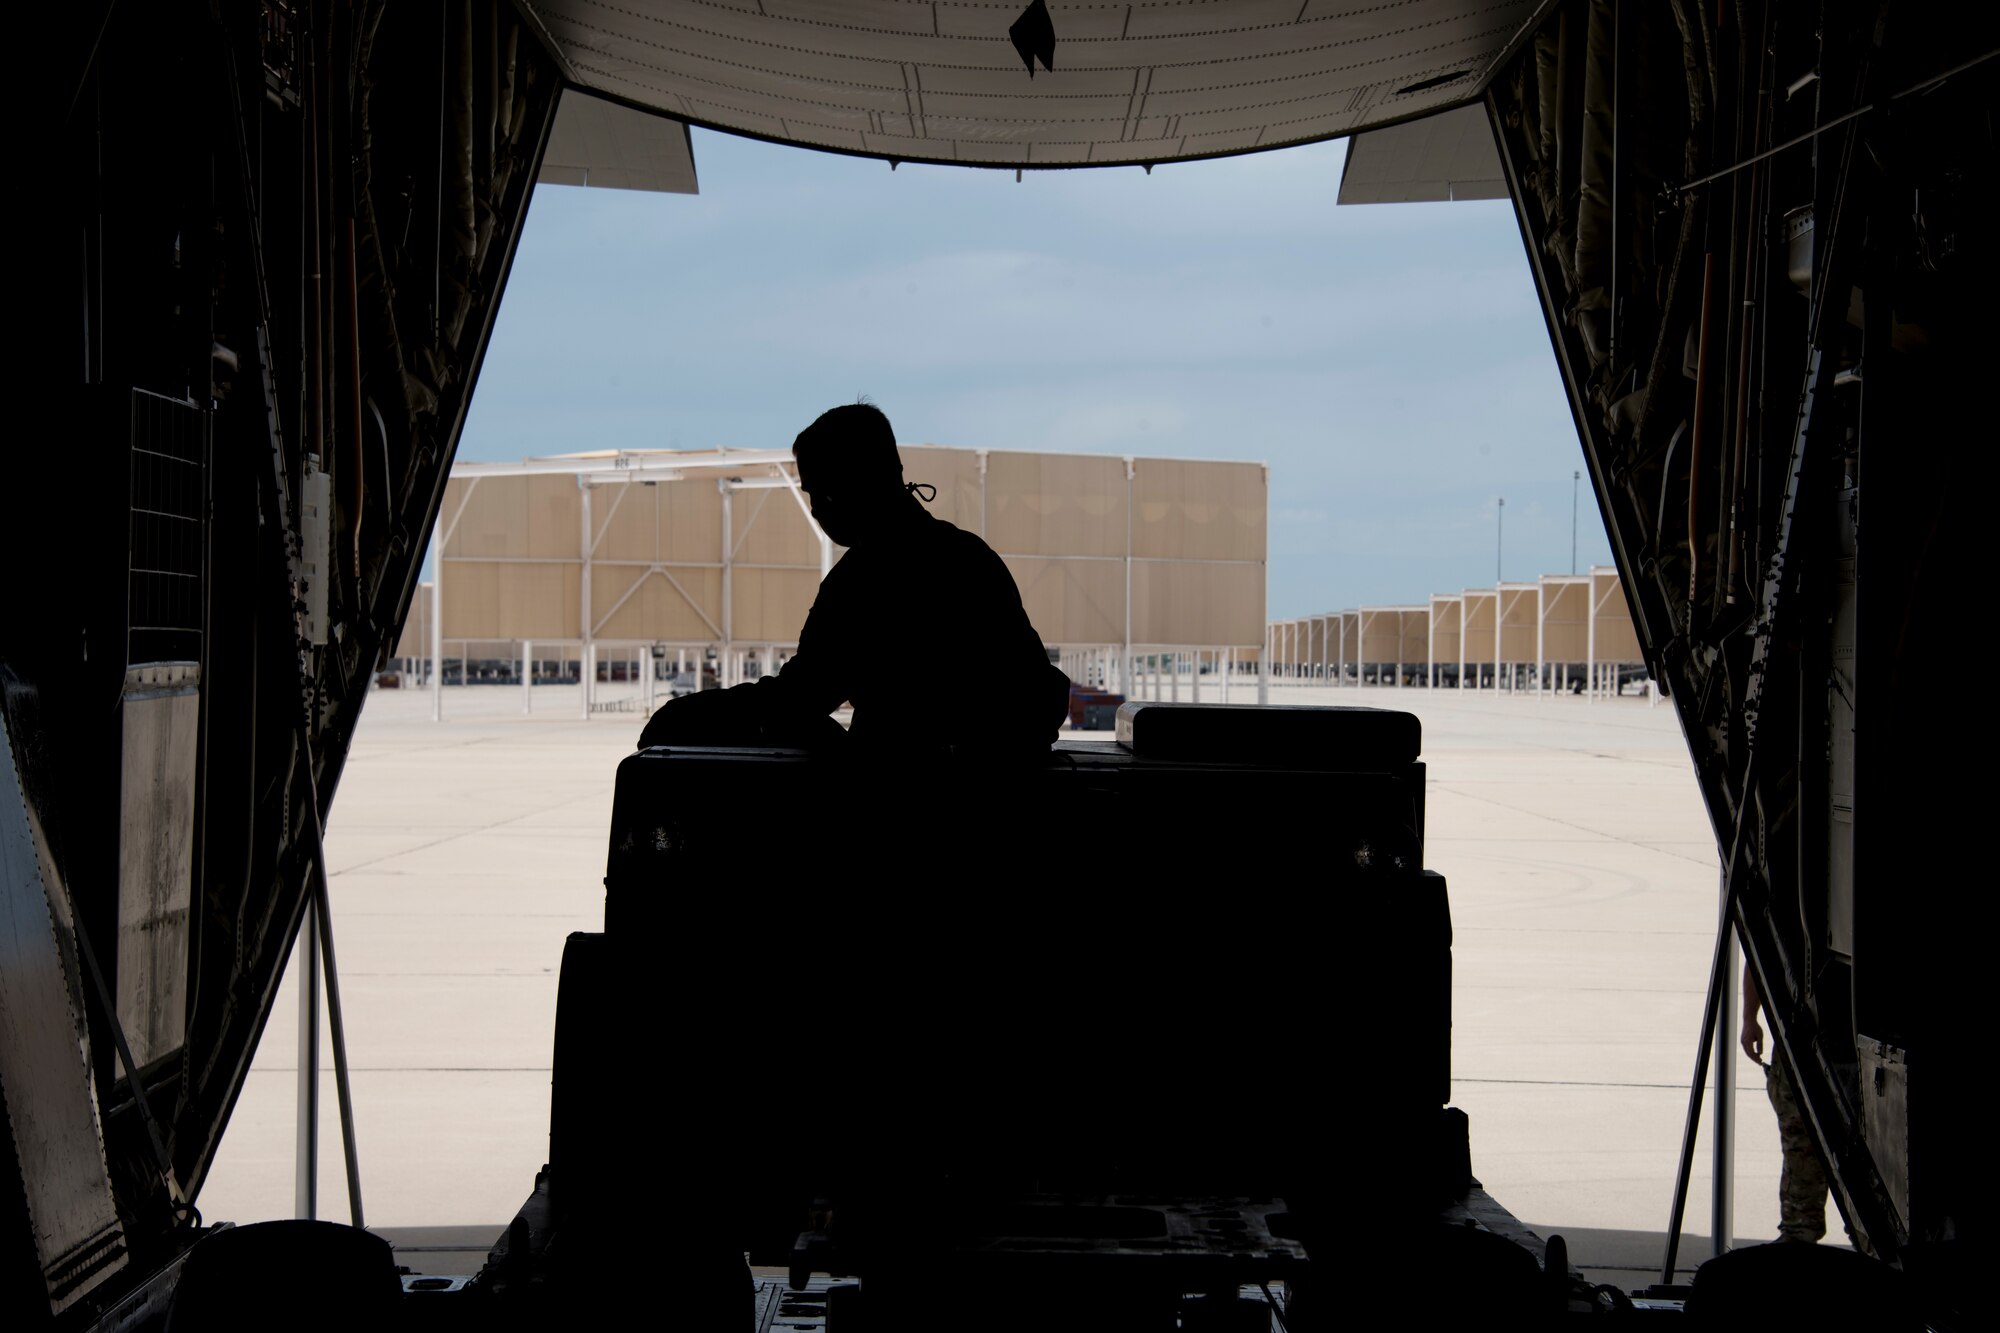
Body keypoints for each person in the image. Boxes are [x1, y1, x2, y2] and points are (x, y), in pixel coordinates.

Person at [638, 402, 1069, 757]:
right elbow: (1037, 695)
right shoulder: (971, 557)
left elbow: (800, 697)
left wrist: (683, 715)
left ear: (835, 490)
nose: (814, 509)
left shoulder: (862, 581)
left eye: (812, 492)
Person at [1740, 966, 1830, 1244]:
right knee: (1800, 1142)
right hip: (1802, 1035)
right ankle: (1799, 1232)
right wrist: (1749, 1018)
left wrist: (1750, 1018)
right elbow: (1756, 963)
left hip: (1824, 1036)